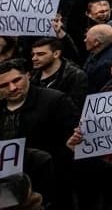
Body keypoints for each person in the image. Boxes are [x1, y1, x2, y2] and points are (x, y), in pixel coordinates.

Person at [0, 57, 78, 210]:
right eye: (4, 85)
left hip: (48, 183)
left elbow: (70, 143)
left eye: (16, 80)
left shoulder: (54, 100)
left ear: (28, 75)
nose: (12, 88)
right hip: (7, 188)